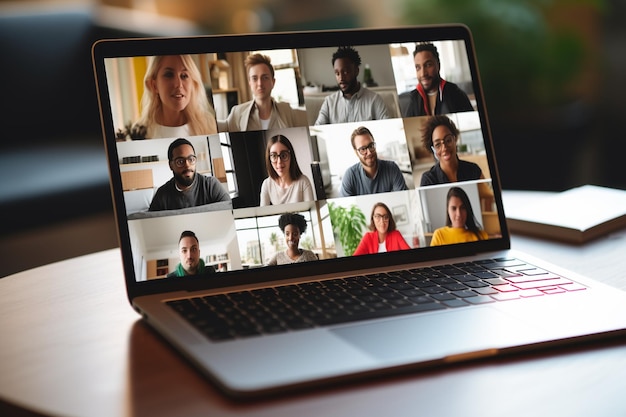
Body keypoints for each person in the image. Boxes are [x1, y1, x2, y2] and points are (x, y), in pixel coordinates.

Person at [132, 55, 218, 139]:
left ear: (192, 83)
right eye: (169, 75)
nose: (178, 84)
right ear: (154, 85)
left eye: (184, 76)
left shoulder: (210, 127)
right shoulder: (140, 133)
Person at [219, 53, 304, 132]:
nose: (260, 83)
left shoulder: (287, 110)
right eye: (254, 78)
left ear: (273, 82)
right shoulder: (237, 113)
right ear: (250, 83)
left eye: (265, 77)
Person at [149, 138, 231, 211]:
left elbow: (229, 212)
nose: (187, 165)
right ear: (171, 165)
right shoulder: (162, 194)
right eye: (180, 161)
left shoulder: (211, 185)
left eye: (191, 159)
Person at [314, 46, 389, 125]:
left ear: (356, 71)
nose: (341, 78)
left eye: (345, 72)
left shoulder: (375, 100)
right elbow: (317, 128)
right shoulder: (329, 102)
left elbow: (387, 127)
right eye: (337, 73)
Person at [402, 43, 473, 117]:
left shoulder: (455, 93)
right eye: (418, 68)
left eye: (428, 65)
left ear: (438, 65)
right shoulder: (414, 99)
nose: (423, 73)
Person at [340, 126, 408, 197]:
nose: (369, 152)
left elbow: (403, 197)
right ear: (356, 152)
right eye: (363, 149)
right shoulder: (350, 176)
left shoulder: (392, 168)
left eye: (371, 146)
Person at [420, 115, 484, 186]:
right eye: (438, 145)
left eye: (448, 140)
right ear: (433, 148)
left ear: (455, 139)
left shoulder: (473, 170)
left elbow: (488, 196)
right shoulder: (429, 180)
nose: (444, 148)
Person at [260, 134, 314, 206]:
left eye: (284, 155)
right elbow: (263, 215)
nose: (279, 162)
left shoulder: (303, 182)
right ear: (269, 159)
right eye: (274, 156)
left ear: (291, 156)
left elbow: (311, 209)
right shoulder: (266, 184)